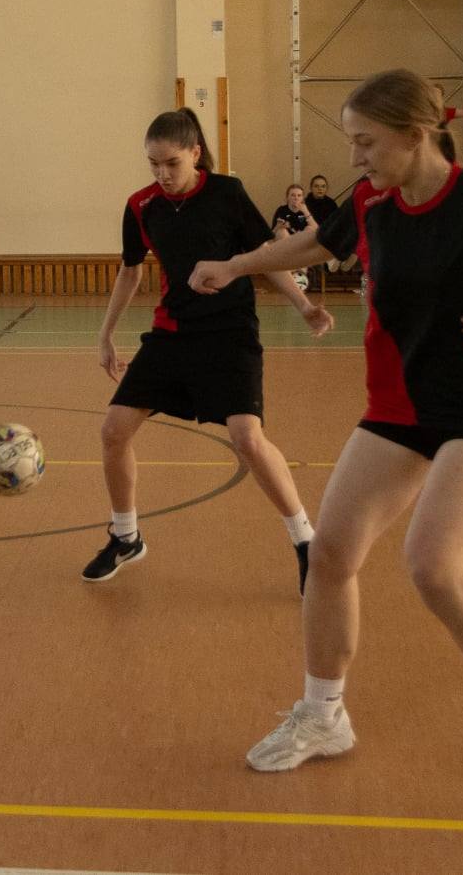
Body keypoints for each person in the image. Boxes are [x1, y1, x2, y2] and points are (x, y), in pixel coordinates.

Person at [193, 69, 463, 814]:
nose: (355, 157)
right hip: (399, 405)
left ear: (416, 136)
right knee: (332, 554)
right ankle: (324, 715)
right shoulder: (372, 201)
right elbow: (318, 244)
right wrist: (237, 266)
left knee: (434, 565)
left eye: (366, 142)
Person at [85, 109, 326, 590]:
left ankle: (306, 542)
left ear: (195, 153)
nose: (162, 174)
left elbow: (268, 256)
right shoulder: (141, 205)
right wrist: (106, 333)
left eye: (171, 163)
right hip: (172, 333)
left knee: (247, 438)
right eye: (153, 164)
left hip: (229, 332)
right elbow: (130, 270)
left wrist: (303, 305)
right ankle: (125, 536)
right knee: (113, 431)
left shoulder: (227, 193)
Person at [271, 183, 314, 290]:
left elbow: (317, 230)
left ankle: (299, 279)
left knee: (309, 230)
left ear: (302, 198)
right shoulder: (281, 210)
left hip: (301, 245)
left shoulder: (306, 211)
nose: (296, 198)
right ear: (287, 197)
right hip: (286, 246)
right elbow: (272, 235)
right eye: (293, 195)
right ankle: (295, 277)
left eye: (299, 195)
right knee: (282, 232)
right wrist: (278, 226)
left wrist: (306, 212)